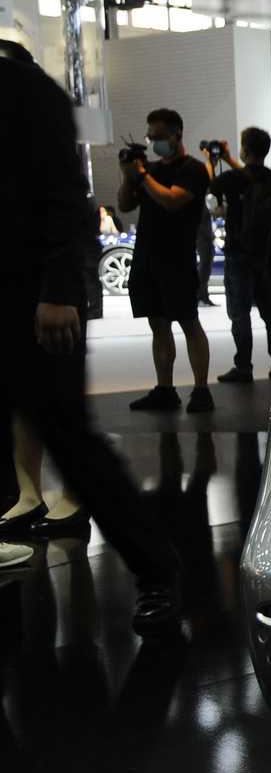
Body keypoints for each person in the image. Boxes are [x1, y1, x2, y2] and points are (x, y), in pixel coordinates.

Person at [0, 48, 182, 632]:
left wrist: (58, 290)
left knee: (69, 442)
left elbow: (65, 199)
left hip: (31, 298)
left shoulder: (26, 92)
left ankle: (156, 570)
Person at [119, 108, 214, 413]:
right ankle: (165, 389)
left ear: (177, 135)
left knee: (189, 323)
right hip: (147, 257)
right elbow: (124, 204)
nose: (154, 142)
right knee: (158, 325)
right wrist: (128, 176)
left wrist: (142, 176)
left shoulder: (194, 170)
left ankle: (201, 390)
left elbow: (172, 200)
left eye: (159, 136)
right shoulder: (150, 170)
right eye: (151, 137)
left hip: (177, 259)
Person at [205, 128, 271, 384]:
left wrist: (212, 161)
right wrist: (230, 158)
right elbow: (250, 176)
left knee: (240, 313)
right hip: (264, 255)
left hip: (238, 254)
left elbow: (210, 185)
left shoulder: (232, 178)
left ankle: (243, 366)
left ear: (244, 149)